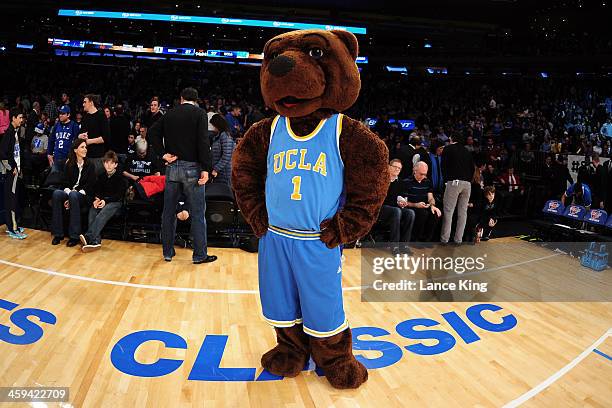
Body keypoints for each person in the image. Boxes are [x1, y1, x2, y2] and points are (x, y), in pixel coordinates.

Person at [149, 87, 216, 264]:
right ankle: (200, 255)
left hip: (172, 168)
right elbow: (203, 142)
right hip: (192, 168)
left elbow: (152, 133)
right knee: (198, 213)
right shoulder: (200, 114)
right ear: (196, 100)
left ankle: (168, 252)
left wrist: (163, 154)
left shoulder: (169, 114)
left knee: (169, 212)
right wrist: (206, 168)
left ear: (181, 99)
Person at [51, 139, 96, 246]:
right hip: (71, 193)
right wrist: (69, 194)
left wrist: (74, 193)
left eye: (85, 147)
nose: (85, 149)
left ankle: (74, 236)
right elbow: (64, 182)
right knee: (57, 193)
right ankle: (58, 234)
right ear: (75, 150)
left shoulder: (90, 164)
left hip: (84, 195)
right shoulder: (69, 164)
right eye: (82, 147)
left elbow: (90, 185)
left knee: (74, 195)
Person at [80, 151, 127, 252]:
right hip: (103, 201)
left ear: (116, 165)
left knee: (106, 209)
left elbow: (118, 196)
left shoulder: (121, 178)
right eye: (106, 162)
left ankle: (89, 236)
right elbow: (98, 191)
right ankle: (95, 242)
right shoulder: (101, 176)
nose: (108, 165)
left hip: (116, 204)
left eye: (111, 163)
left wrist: (105, 200)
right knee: (93, 209)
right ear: (103, 163)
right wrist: (96, 199)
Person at [440, 133, 473, 244]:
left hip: (454, 182)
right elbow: (472, 168)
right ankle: (458, 239)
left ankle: (444, 239)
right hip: (467, 184)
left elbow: (443, 166)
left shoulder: (448, 149)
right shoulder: (467, 151)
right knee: (463, 213)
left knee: (449, 211)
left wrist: (446, 180)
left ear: (451, 139)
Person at [0, 108, 27, 239]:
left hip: (16, 171)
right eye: (20, 117)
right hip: (10, 173)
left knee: (14, 198)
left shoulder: (15, 132)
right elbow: (2, 154)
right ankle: (12, 228)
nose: (21, 120)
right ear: (14, 118)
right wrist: (11, 168)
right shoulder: (8, 134)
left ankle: (13, 224)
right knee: (11, 199)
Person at [378, 159, 415, 253]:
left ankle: (404, 245)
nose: (397, 169)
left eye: (399, 168)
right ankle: (394, 246)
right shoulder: (381, 179)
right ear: (388, 167)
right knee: (396, 211)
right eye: (395, 167)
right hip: (381, 208)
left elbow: (402, 198)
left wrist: (403, 203)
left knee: (410, 213)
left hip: (395, 208)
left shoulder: (401, 182)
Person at [404, 161, 442, 242]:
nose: (423, 176)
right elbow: (404, 202)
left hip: (424, 205)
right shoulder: (407, 182)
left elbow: (430, 198)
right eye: (421, 174)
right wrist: (416, 205)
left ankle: (426, 240)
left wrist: (432, 205)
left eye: (425, 174)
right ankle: (415, 239)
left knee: (435, 213)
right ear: (415, 170)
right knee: (422, 214)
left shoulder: (427, 181)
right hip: (412, 206)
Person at [79, 94, 110, 176]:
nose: (83, 104)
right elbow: (80, 134)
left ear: (91, 103)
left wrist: (90, 141)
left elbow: (106, 138)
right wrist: (80, 136)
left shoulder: (101, 116)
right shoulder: (85, 117)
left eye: (85, 102)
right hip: (85, 156)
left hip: (98, 157)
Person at [47, 105, 79, 173]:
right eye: (60, 113)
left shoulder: (74, 125)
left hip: (68, 158)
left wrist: (72, 157)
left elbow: (77, 143)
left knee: (67, 180)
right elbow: (51, 140)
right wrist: (49, 154)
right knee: (55, 180)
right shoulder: (57, 125)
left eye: (63, 114)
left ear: (68, 115)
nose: (60, 115)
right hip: (56, 158)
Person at [209, 113, 235, 187]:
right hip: (220, 172)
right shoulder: (219, 136)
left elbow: (226, 156)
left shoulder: (225, 136)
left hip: (224, 172)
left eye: (214, 126)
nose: (213, 128)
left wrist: (216, 169)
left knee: (225, 193)